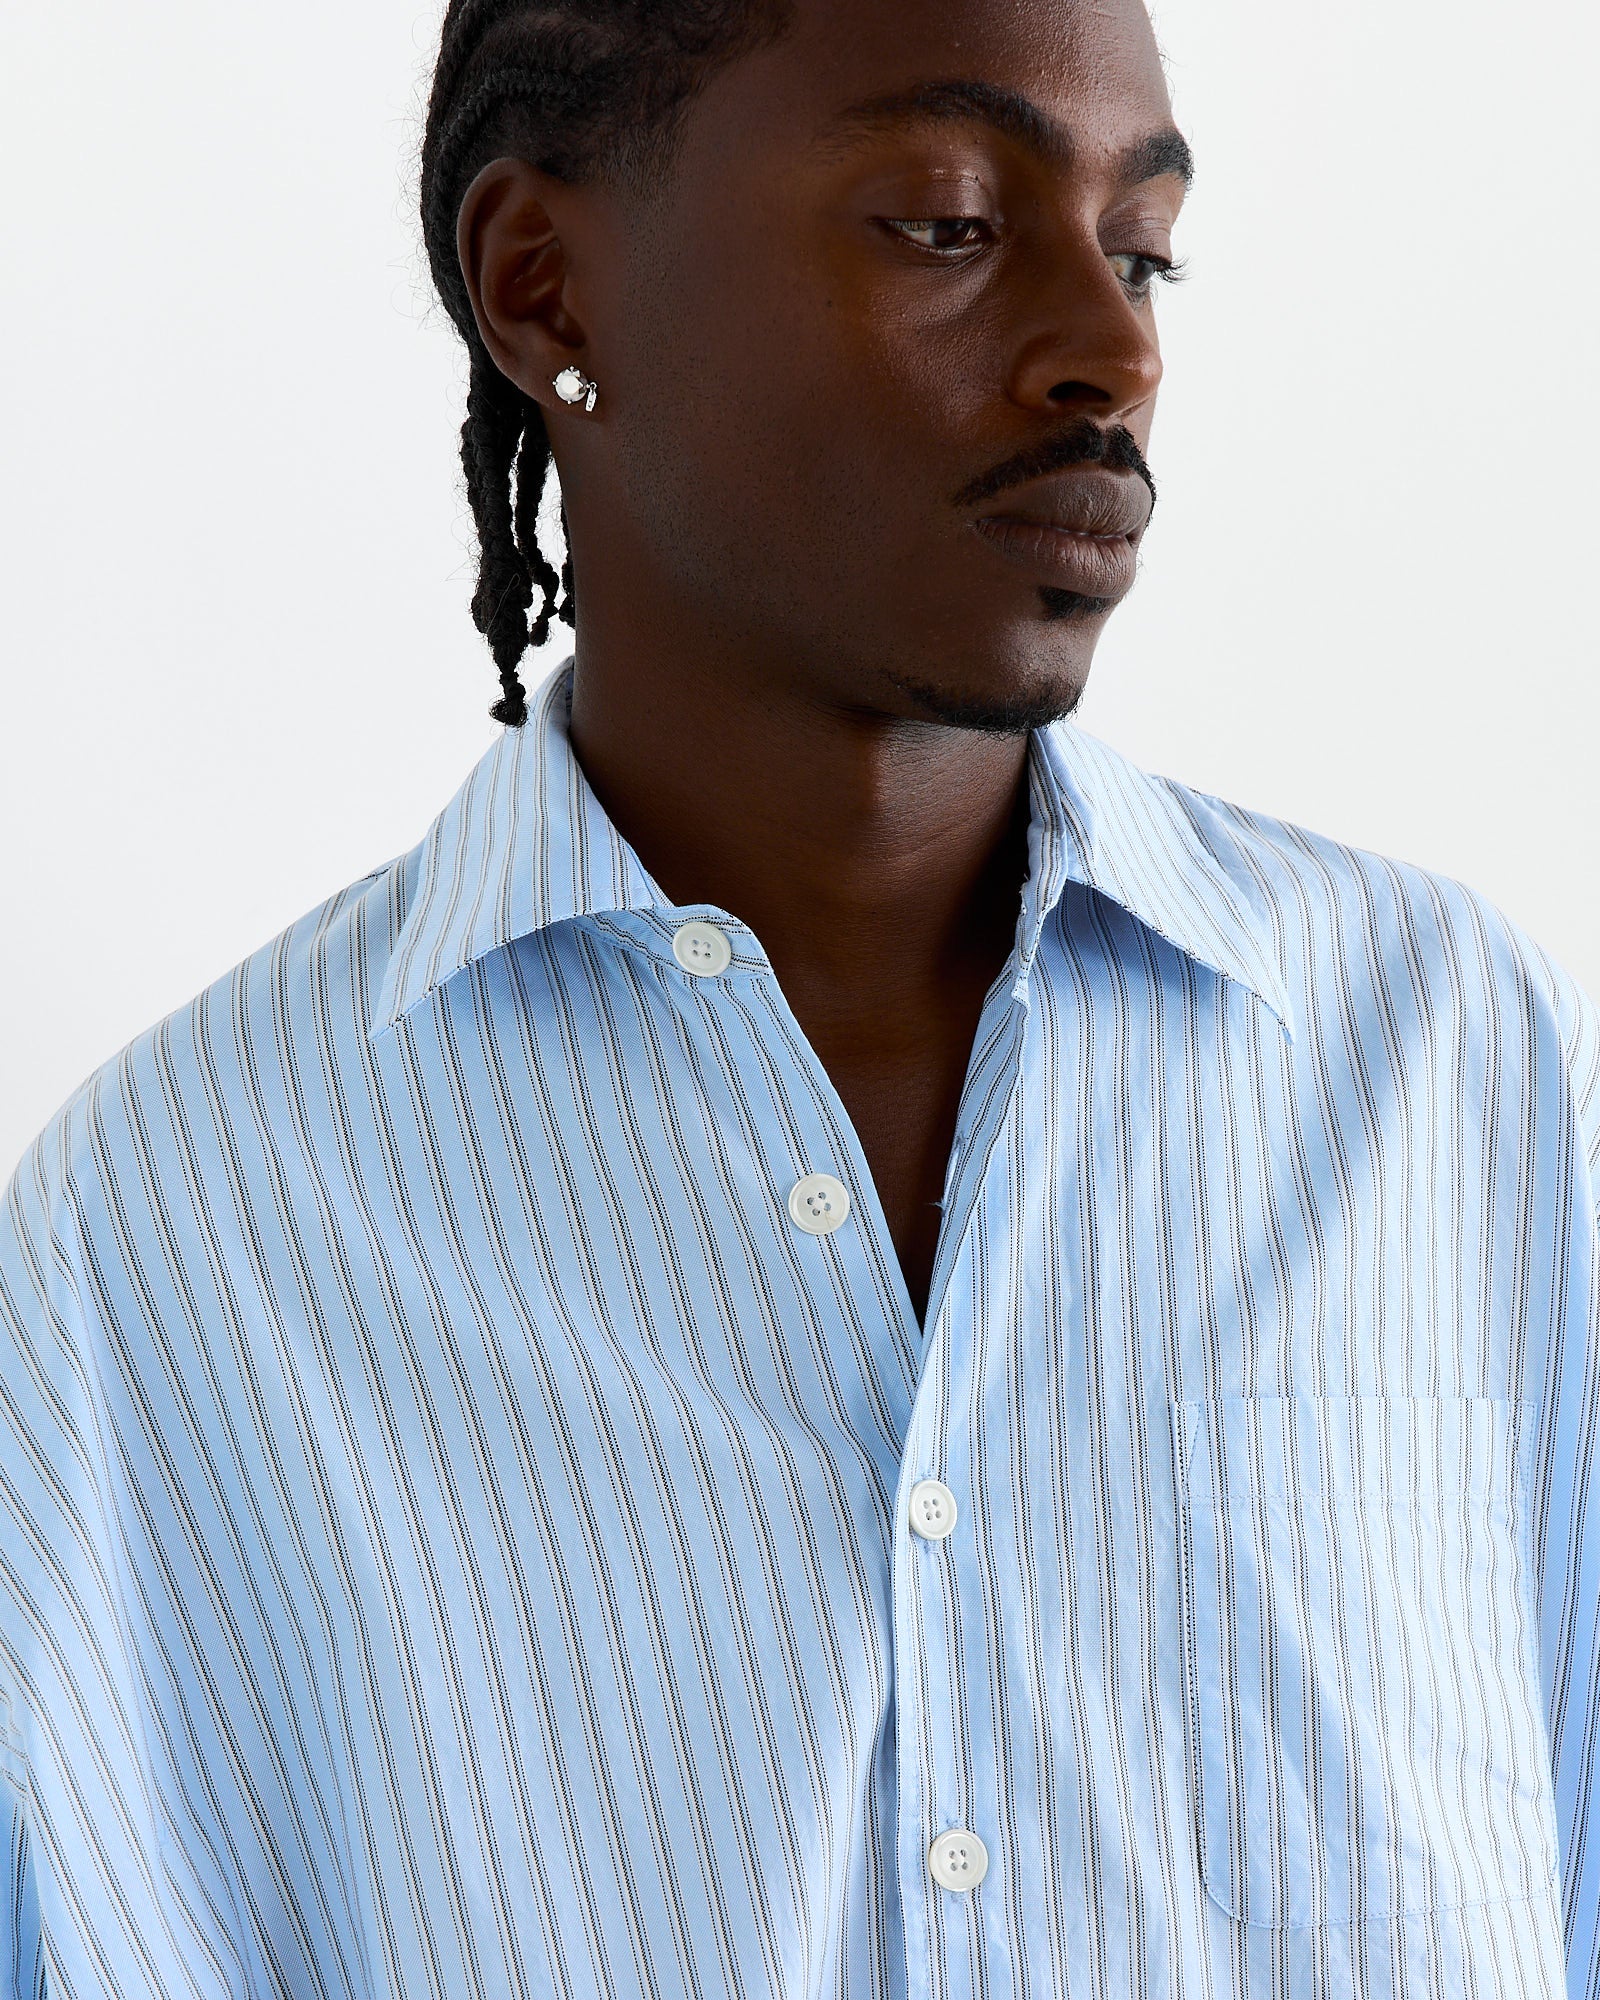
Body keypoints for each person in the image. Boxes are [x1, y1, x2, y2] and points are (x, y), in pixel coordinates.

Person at [2, 0, 1596, 1993]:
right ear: (543, 282)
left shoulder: (1453, 1071)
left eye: (1142, 250)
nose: (1115, 354)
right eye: (946, 222)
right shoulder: (165, 1245)